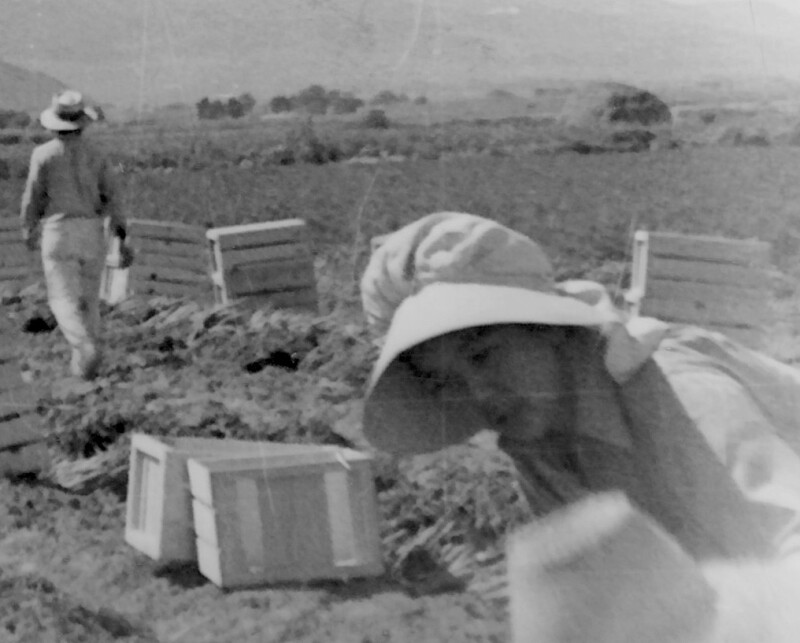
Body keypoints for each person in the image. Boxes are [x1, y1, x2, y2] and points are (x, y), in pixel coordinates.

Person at [360, 212, 800, 637]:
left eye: (483, 356)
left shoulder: (680, 393)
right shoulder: (537, 446)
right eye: (448, 382)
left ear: (546, 328)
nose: (477, 393)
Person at [20, 90, 129, 380]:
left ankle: (84, 348)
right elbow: (113, 196)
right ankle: (85, 369)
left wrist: (28, 227)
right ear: (82, 122)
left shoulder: (43, 155)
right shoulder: (98, 155)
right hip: (92, 230)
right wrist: (122, 235)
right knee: (89, 299)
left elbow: (33, 197)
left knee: (62, 298)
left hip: (58, 231)